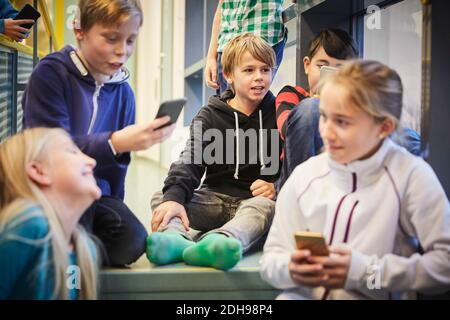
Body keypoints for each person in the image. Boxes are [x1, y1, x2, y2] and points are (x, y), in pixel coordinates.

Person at [260, 60, 450, 300]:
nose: (326, 132)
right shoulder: (305, 175)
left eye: (342, 122)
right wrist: (289, 269)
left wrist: (365, 272)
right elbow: (271, 262)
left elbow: (444, 267)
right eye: (324, 117)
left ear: (384, 126)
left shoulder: (411, 177)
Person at [22, 0, 175, 266]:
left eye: (130, 40)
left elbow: (117, 172)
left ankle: (68, 252)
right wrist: (114, 143)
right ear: (80, 30)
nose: (122, 51)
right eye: (111, 38)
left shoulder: (124, 92)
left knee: (132, 240)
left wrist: (116, 203)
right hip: (51, 190)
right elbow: (50, 151)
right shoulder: (51, 74)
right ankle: (65, 258)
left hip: (95, 195)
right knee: (72, 224)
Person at [148, 33, 281, 270]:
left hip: (253, 203)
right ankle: (175, 239)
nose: (259, 77)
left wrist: (276, 185)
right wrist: (173, 198)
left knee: (266, 207)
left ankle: (223, 242)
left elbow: (293, 162)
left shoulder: (279, 112)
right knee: (163, 197)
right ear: (228, 75)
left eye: (265, 70)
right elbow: (190, 159)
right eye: (249, 70)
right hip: (213, 201)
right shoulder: (210, 114)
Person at [275, 28, 421, 191]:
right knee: (310, 109)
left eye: (340, 70)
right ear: (307, 65)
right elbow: (286, 128)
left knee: (406, 135)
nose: (330, 77)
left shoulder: (356, 107)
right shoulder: (292, 94)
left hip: (346, 175)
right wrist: (322, 106)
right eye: (323, 67)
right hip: (295, 179)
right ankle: (305, 195)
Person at [0, 128, 100, 299]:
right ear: (39, 171)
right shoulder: (30, 226)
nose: (92, 161)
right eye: (72, 151)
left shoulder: (84, 248)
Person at [205, 0, 291, 94]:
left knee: (255, 99)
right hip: (226, 42)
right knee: (226, 103)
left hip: (263, 36)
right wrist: (211, 56)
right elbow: (222, 6)